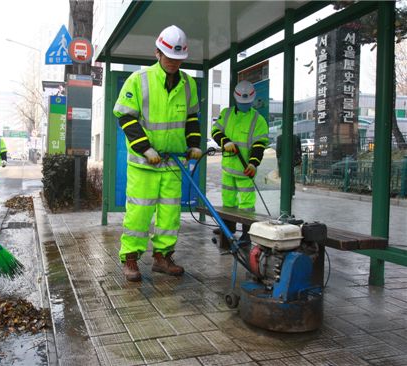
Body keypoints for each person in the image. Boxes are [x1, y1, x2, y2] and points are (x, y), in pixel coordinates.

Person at [113, 25, 202, 282]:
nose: (173, 62)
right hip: (145, 163)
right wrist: (145, 147)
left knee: (169, 214)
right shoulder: (139, 80)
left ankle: (163, 257)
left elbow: (192, 118)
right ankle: (130, 259)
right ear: (157, 53)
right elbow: (126, 118)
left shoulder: (188, 84)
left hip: (174, 162)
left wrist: (193, 144)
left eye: (178, 58)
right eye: (169, 57)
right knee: (139, 213)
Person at [211, 80, 269, 240]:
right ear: (235, 98)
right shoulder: (226, 113)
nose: (244, 105)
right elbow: (215, 131)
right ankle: (227, 229)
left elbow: (259, 144)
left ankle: (247, 234)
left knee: (246, 205)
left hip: (245, 171)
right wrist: (225, 141)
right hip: (228, 168)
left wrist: (253, 163)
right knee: (228, 200)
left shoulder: (258, 120)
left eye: (247, 102)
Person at [276, 133, 302, 198]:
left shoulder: (279, 138)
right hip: (293, 160)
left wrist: (279, 159)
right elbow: (299, 150)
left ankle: (284, 193)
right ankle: (292, 192)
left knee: (284, 177)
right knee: (291, 176)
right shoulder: (296, 137)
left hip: (283, 160)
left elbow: (278, 150)